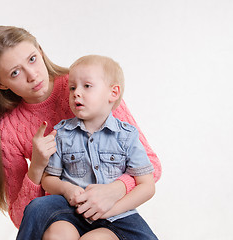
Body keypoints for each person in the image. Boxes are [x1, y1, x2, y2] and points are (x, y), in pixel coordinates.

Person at [0, 26, 161, 238]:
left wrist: (116, 189)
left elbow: (151, 165)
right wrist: (37, 167)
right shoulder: (9, 129)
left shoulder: (86, 84)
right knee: (57, 233)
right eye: (15, 73)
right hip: (64, 210)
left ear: (41, 51)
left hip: (114, 212)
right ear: (0, 84)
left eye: (32, 59)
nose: (32, 75)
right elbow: (24, 218)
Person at [40, 55, 158, 240]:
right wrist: (66, 189)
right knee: (56, 234)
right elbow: (48, 179)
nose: (76, 93)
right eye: (72, 87)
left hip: (118, 217)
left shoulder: (126, 135)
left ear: (113, 93)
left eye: (87, 86)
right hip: (72, 214)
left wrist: (111, 209)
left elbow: (147, 186)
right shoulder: (62, 133)